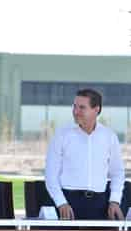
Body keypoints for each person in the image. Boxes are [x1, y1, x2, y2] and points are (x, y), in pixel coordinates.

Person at [45, 88, 125, 220]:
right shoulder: (61, 135)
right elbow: (50, 174)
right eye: (74, 106)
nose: (76, 112)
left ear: (96, 109)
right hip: (68, 204)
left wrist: (115, 201)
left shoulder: (109, 137)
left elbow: (117, 172)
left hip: (100, 205)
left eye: (82, 107)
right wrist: (61, 203)